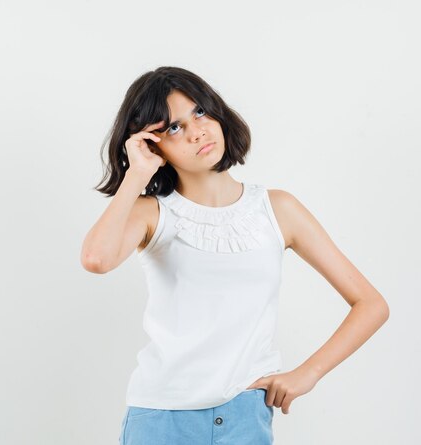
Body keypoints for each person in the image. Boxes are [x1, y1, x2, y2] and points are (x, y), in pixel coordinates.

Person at [81, 66, 389, 445]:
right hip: (162, 419)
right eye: (173, 128)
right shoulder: (151, 212)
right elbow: (96, 259)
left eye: (200, 112)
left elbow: (371, 304)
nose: (197, 131)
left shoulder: (278, 208)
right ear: (151, 144)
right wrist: (136, 176)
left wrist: (308, 373)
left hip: (245, 416)